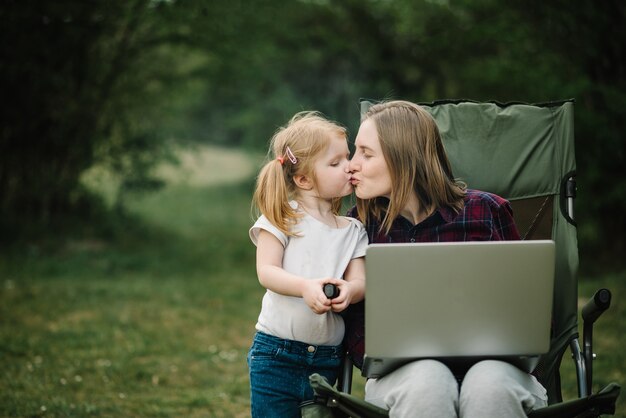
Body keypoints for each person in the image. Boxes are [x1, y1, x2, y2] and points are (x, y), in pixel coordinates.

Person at [344, 100, 548, 417]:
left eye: (365, 154)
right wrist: (379, 356)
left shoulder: (487, 210)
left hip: (499, 368)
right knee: (428, 381)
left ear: (405, 160)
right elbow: (354, 321)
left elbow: (523, 305)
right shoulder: (358, 225)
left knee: (488, 384)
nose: (351, 165)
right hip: (402, 377)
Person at [247, 111, 368, 418]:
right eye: (336, 162)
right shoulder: (281, 218)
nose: (350, 166)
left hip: (327, 359)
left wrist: (349, 292)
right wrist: (304, 287)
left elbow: (360, 281)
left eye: (348, 157)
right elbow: (267, 272)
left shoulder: (353, 230)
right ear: (302, 179)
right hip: (276, 355)